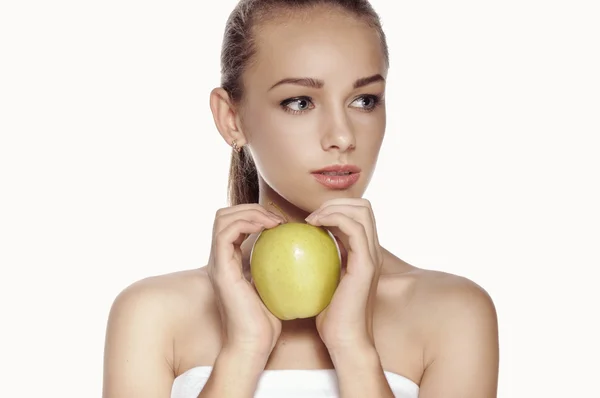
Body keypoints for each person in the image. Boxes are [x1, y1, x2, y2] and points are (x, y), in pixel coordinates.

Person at [102, 0, 500, 397]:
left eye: (364, 100)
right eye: (300, 102)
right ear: (231, 119)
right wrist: (243, 351)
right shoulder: (150, 315)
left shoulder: (453, 313)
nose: (343, 137)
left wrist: (353, 348)